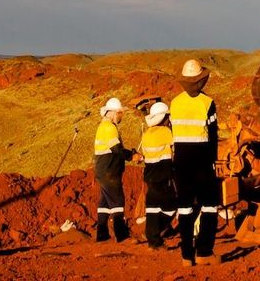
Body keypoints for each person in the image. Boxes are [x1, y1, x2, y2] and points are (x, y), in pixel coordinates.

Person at [170, 59, 221, 267]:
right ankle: (204, 252)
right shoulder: (207, 103)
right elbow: (213, 136)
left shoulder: (174, 103)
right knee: (209, 206)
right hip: (202, 160)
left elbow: (174, 132)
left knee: (184, 209)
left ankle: (186, 256)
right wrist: (213, 161)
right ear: (200, 81)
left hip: (181, 161)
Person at [93, 96, 133, 242]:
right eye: (119, 113)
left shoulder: (104, 126)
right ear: (111, 112)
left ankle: (102, 235)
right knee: (117, 201)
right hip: (109, 170)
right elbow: (116, 149)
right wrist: (131, 156)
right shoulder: (109, 128)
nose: (120, 116)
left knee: (104, 203)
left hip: (103, 170)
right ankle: (122, 235)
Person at [139, 100, 175, 250]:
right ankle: (154, 234)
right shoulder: (166, 132)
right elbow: (176, 147)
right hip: (163, 175)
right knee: (171, 207)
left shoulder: (146, 134)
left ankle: (152, 238)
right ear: (164, 118)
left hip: (150, 174)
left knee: (153, 208)